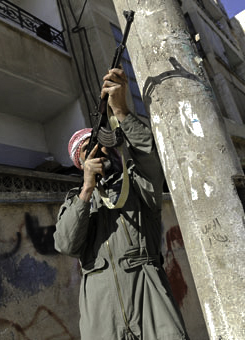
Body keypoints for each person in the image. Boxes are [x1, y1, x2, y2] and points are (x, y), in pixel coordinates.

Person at [54, 68, 189, 340]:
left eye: (101, 146)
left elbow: (149, 154)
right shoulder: (75, 201)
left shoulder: (138, 184)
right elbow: (66, 244)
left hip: (147, 291)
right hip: (100, 307)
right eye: (87, 150)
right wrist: (87, 190)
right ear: (80, 163)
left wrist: (121, 111)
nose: (99, 152)